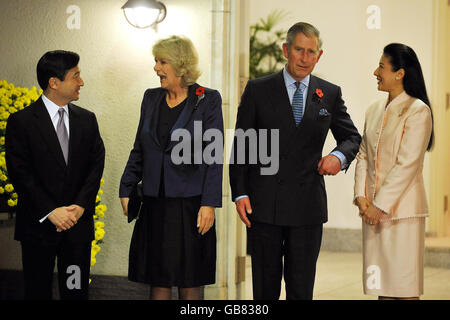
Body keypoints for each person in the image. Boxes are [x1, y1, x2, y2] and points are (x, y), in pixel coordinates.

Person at [229, 22, 361, 300]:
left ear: (319, 55)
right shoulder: (258, 89)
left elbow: (351, 138)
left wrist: (338, 157)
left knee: (301, 289)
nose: (304, 58)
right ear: (286, 50)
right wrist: (240, 192)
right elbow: (242, 145)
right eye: (299, 50)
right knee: (265, 288)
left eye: (311, 52)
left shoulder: (330, 93)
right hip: (264, 205)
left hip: (307, 208)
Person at [119, 35, 223, 300]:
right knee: (158, 276)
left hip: (190, 206)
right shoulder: (151, 98)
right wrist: (126, 186)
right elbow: (139, 148)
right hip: (155, 204)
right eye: (156, 61)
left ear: (182, 65)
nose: (156, 68)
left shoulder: (207, 99)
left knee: (190, 278)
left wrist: (209, 203)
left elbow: (214, 157)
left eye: (163, 62)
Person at [5, 50, 105, 300]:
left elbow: (96, 166)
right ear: (54, 83)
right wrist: (52, 211)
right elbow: (20, 173)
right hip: (38, 228)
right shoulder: (21, 122)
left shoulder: (87, 120)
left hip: (77, 228)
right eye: (76, 76)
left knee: (76, 292)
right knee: (37, 292)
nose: (81, 82)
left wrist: (80, 206)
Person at [354, 43, 433, 300]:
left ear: (399, 73)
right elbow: (363, 153)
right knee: (382, 287)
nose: (375, 72)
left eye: (381, 67)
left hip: (403, 215)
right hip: (373, 212)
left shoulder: (418, 110)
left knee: (404, 287)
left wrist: (380, 205)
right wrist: (361, 197)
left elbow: (407, 165)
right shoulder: (374, 110)